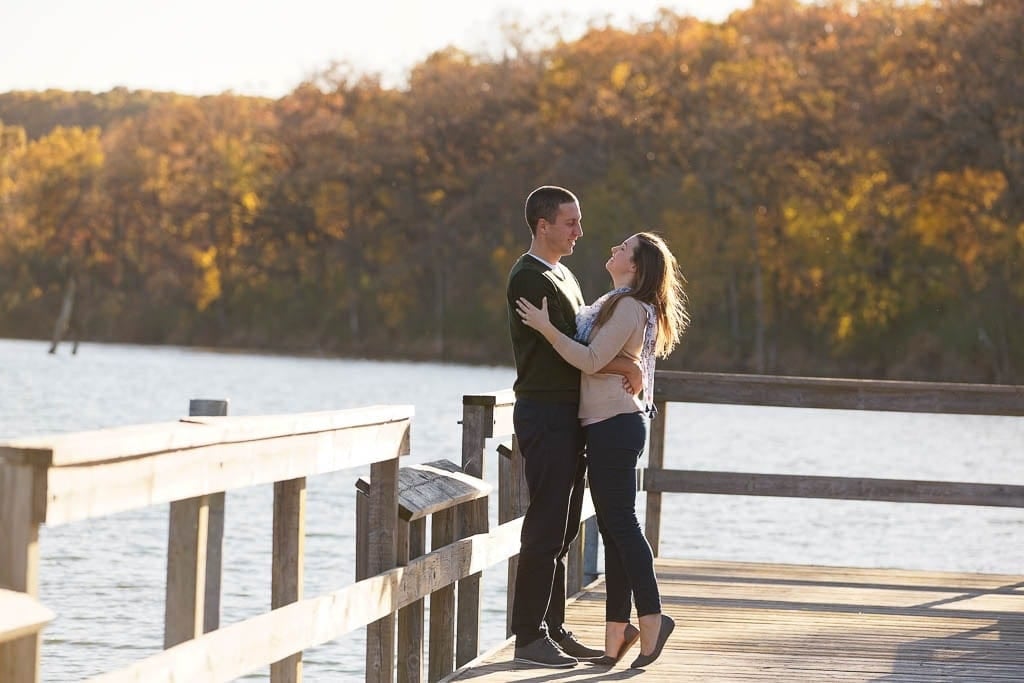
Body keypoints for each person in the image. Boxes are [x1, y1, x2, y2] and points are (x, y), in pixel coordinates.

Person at [516, 231, 689, 669]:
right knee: (613, 530)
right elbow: (603, 356)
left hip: (615, 426)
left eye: (623, 249)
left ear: (637, 265)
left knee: (623, 526)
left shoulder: (629, 306)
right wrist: (626, 364)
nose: (614, 249)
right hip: (609, 424)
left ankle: (652, 617)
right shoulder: (620, 302)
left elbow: (589, 360)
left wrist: (546, 328)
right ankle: (617, 634)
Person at [506, 185, 641, 669]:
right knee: (545, 522)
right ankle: (527, 636)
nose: (579, 232)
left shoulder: (563, 274)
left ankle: (553, 627)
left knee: (563, 527)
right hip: (545, 411)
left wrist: (623, 365)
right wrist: (626, 369)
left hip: (571, 413)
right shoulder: (528, 276)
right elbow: (576, 355)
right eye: (570, 223)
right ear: (543, 226)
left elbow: (586, 347)